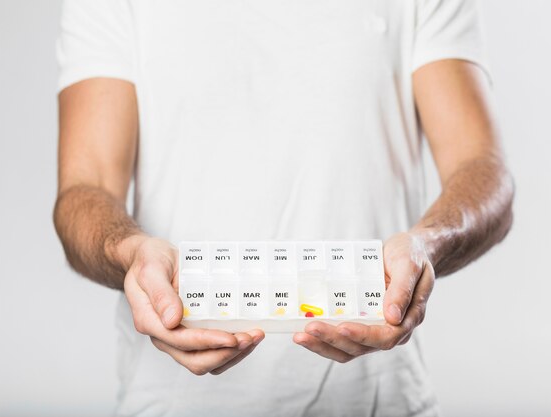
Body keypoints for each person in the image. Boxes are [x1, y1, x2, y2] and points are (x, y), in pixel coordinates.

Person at [53, 0, 514, 416]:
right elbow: (85, 188)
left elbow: (482, 169)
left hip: (382, 402)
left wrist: (424, 246)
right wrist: (131, 254)